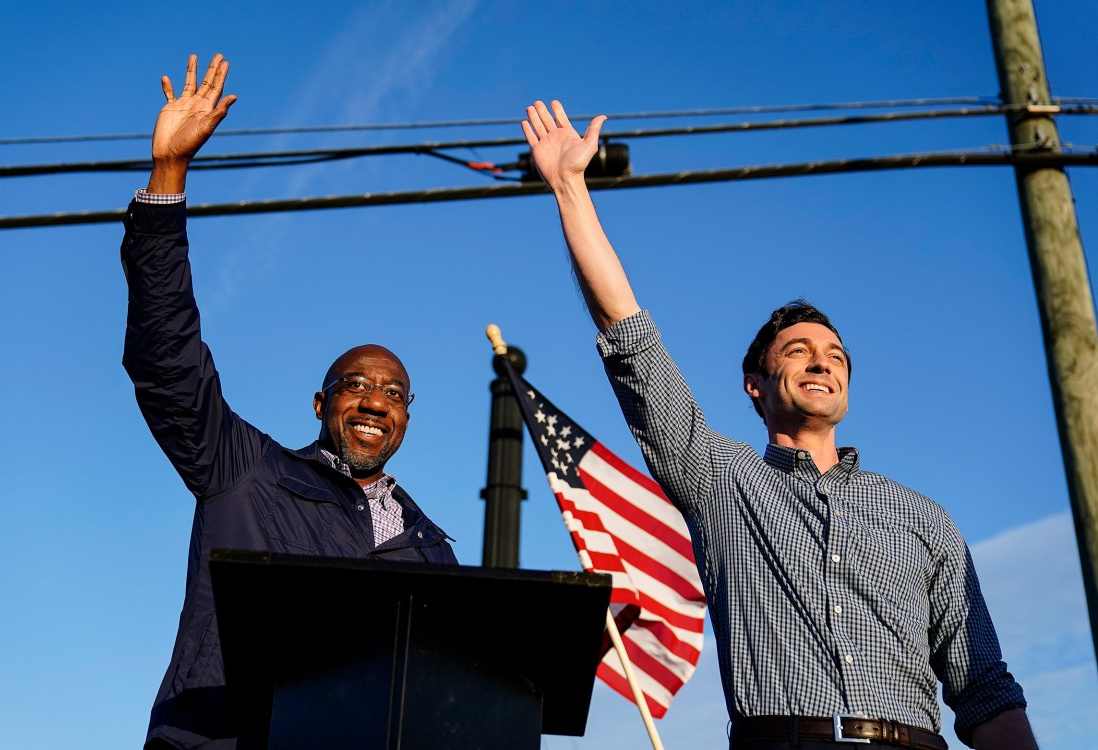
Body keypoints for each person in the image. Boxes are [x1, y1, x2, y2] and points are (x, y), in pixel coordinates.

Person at [521, 99, 1038, 750]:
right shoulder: (718, 476)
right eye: (797, 350)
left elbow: (986, 690)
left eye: (836, 355)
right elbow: (628, 335)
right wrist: (570, 188)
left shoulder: (926, 520)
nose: (822, 359)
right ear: (756, 385)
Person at [121, 54, 458, 750]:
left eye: (394, 393)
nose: (374, 402)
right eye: (356, 385)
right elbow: (168, 360)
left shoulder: (429, 549)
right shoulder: (245, 473)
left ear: (407, 417)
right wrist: (169, 178)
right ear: (319, 403)